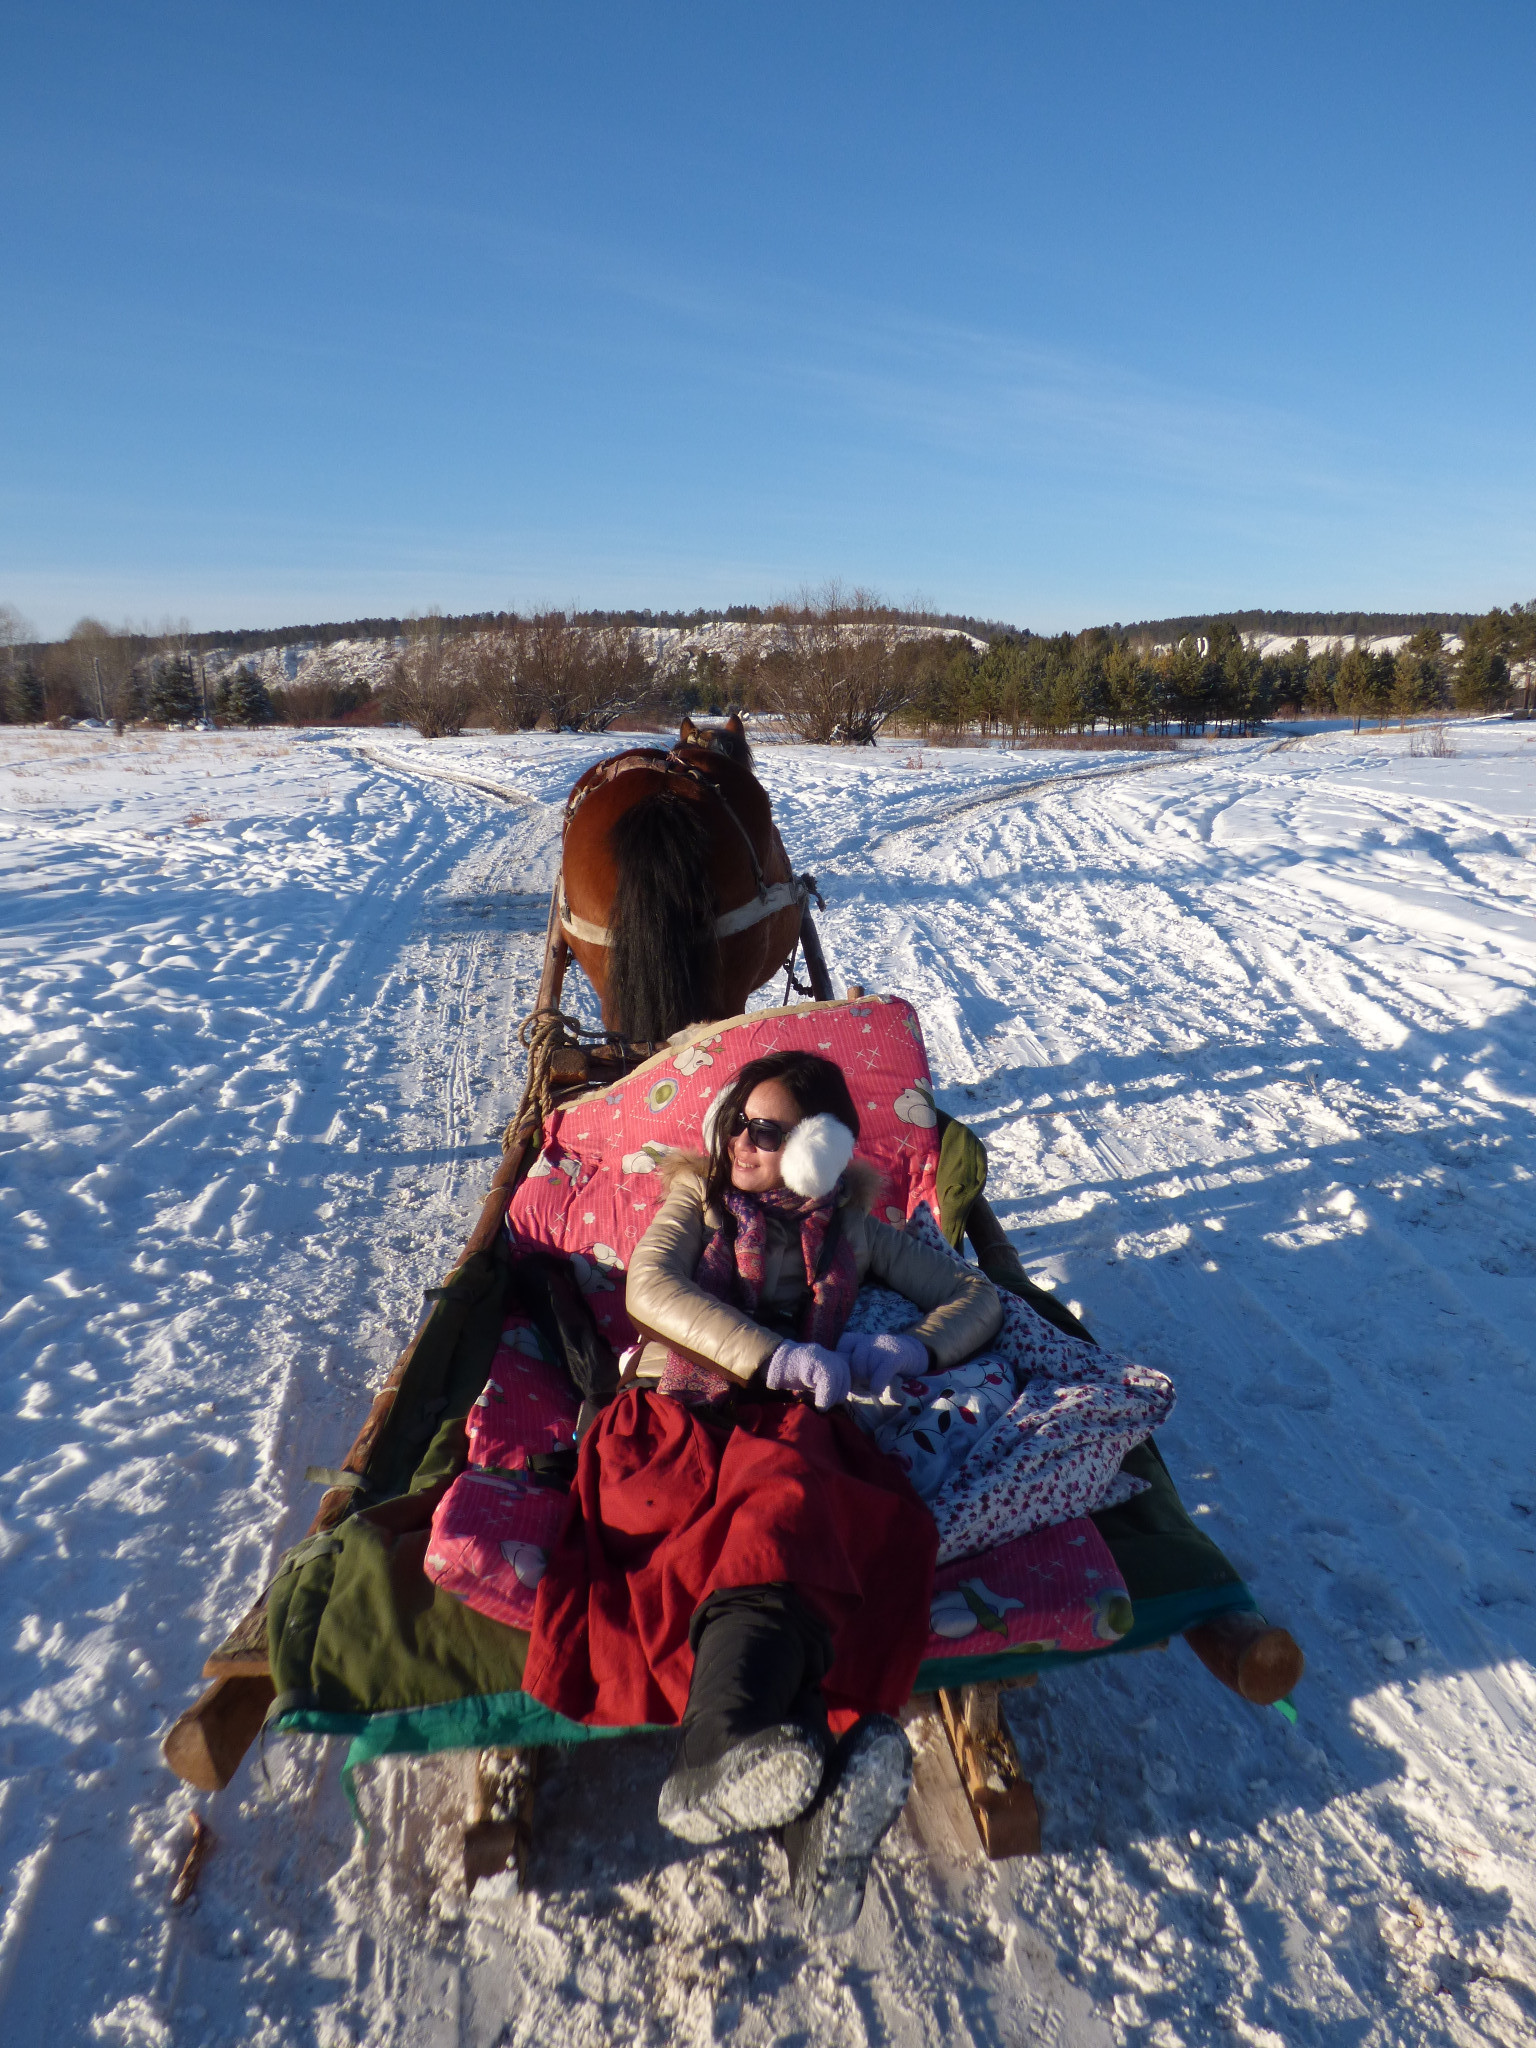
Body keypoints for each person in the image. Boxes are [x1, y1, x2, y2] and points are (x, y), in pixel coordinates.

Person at [523, 1050, 1001, 1933]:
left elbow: (977, 1296)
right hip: (676, 1422)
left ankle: (788, 1808)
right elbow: (651, 1288)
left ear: (820, 1149)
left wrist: (912, 1349)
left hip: (789, 1425)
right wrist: (774, 1355)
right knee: (790, 1499)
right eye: (740, 1119)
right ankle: (722, 1752)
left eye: (772, 1131)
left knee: (825, 1512)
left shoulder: (854, 1229)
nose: (744, 1139)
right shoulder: (695, 1201)